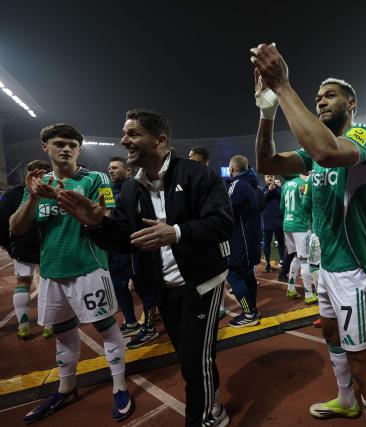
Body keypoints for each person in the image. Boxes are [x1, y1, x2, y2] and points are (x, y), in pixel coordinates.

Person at [57, 110, 234, 426]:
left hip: (201, 283)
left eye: (133, 133)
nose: (124, 140)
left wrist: (176, 232)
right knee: (188, 357)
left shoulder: (197, 174)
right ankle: (212, 398)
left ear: (161, 140)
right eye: (125, 134)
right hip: (163, 287)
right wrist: (96, 225)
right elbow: (127, 239)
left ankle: (206, 418)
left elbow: (222, 223)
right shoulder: (129, 188)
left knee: (197, 360)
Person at [251, 43, 366, 426]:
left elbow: (329, 152)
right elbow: (265, 162)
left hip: (356, 270)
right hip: (328, 264)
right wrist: (268, 112)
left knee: (365, 362)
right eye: (317, 98)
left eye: (330, 96)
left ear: (352, 103)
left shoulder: (365, 136)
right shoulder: (312, 150)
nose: (321, 102)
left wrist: (283, 86)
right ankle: (347, 402)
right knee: (331, 333)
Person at [11, 124, 134, 422]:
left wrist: (77, 206)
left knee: (106, 328)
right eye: (59, 144)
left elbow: (107, 217)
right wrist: (34, 198)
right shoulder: (38, 184)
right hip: (52, 272)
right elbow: (16, 229)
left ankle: (119, 386)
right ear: (46, 148)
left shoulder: (95, 178)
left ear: (79, 149)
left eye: (71, 145)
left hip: (88, 268)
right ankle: (66, 389)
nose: (65, 149)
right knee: (63, 334)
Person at [107, 156, 160, 347]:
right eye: (109, 168)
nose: (110, 170)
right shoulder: (107, 190)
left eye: (115, 167)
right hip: (117, 250)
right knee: (118, 285)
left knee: (144, 287)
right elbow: (107, 216)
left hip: (136, 247)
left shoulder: (137, 188)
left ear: (128, 171)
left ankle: (150, 327)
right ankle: (130, 322)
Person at [0, 160, 53, 339]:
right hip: (48, 245)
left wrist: (8, 244)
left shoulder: (13, 193)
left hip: (22, 246)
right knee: (48, 283)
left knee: (23, 282)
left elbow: (2, 221)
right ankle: (49, 325)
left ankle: (23, 325)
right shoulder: (54, 191)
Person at [188, 146, 229, 320]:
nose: (187, 159)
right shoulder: (202, 176)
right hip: (205, 233)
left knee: (218, 270)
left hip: (213, 234)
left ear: (197, 159)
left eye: (190, 157)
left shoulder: (207, 176)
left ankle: (218, 306)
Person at [226, 155, 262, 327]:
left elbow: (228, 211)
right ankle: (252, 309)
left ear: (232, 168)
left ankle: (248, 314)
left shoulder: (237, 184)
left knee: (233, 274)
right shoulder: (253, 184)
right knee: (248, 274)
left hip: (240, 238)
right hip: (253, 237)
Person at [281, 173, 316, 303]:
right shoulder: (303, 184)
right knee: (305, 260)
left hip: (287, 224)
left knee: (297, 256)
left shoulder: (285, 185)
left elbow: (281, 207)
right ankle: (308, 294)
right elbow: (307, 205)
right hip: (300, 225)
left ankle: (290, 288)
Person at [261, 174, 286, 272]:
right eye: (267, 176)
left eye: (271, 176)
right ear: (265, 178)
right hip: (267, 220)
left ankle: (282, 261)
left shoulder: (280, 189)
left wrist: (274, 189)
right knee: (266, 243)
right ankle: (267, 263)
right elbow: (262, 201)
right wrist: (269, 190)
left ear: (274, 178)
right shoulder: (262, 190)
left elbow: (283, 200)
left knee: (281, 242)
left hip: (279, 220)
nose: (270, 178)